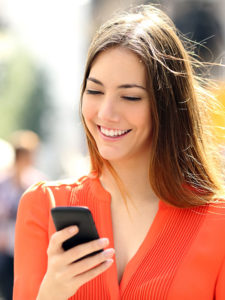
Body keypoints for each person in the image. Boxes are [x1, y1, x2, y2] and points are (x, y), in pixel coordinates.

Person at [13, 4, 225, 300]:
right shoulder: (42, 205)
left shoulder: (217, 224)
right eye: (95, 91)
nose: (106, 112)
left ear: (167, 107)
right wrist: (51, 293)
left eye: (130, 96)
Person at [0, 131, 46, 300]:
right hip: (5, 247)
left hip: (29, 245)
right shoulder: (3, 182)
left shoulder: (38, 182)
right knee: (7, 289)